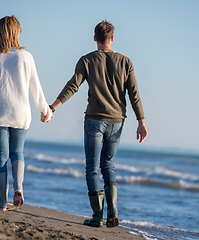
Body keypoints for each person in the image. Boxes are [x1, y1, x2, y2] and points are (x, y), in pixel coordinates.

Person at [46, 20, 148, 228]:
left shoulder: (87, 60)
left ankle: (97, 217)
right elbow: (134, 95)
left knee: (92, 168)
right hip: (117, 121)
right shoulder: (126, 61)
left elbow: (72, 86)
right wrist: (141, 121)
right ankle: (113, 212)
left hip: (94, 120)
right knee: (108, 164)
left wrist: (53, 107)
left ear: (94, 38)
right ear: (112, 38)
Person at [0, 16, 52, 211]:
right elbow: (36, 88)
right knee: (17, 152)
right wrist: (45, 110)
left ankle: (2, 202)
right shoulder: (26, 56)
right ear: (16, 32)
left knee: (0, 155)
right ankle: (18, 187)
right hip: (21, 114)